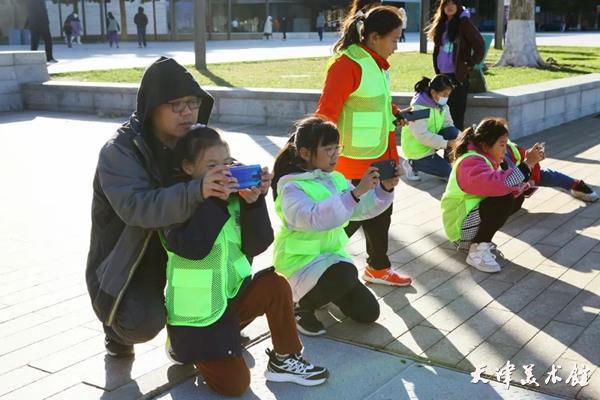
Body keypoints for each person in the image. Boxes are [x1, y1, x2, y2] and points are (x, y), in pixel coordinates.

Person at [86, 56, 237, 361]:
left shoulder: (193, 139)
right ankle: (115, 330)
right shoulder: (120, 151)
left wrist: (247, 183)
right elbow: (137, 208)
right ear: (152, 107)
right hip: (134, 255)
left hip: (183, 241)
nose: (187, 112)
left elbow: (221, 167)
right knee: (142, 322)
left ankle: (191, 334)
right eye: (176, 105)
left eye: (193, 103)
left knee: (233, 287)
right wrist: (199, 189)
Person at [161, 126, 329, 396]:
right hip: (198, 318)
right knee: (236, 385)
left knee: (276, 285)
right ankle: (185, 347)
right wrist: (216, 201)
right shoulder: (175, 200)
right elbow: (193, 249)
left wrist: (254, 203)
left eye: (227, 163)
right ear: (188, 167)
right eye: (212, 165)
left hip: (229, 303)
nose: (223, 171)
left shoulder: (232, 197)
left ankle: (285, 359)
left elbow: (259, 244)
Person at [272, 116, 401, 336]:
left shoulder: (335, 178)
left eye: (336, 148)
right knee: (346, 272)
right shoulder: (291, 187)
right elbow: (314, 219)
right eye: (328, 149)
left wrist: (384, 189)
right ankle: (299, 306)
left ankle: (322, 293)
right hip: (298, 263)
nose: (335, 154)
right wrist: (355, 193)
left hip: (329, 260)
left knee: (368, 312)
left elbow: (360, 209)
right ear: (305, 153)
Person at [317, 6, 412, 287]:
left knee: (381, 214)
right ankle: (313, 271)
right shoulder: (347, 64)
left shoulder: (377, 63)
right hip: (353, 162)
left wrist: (394, 112)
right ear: (374, 37)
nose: (396, 47)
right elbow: (326, 114)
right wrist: (320, 157)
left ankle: (378, 268)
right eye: (394, 39)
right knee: (349, 219)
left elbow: (375, 102)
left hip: (381, 154)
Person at [441, 118, 544, 273]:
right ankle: (477, 250)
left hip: (468, 221)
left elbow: (502, 185)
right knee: (504, 198)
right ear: (485, 146)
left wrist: (522, 184)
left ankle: (479, 242)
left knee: (515, 198)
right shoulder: (471, 161)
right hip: (459, 230)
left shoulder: (484, 158)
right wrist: (527, 163)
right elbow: (500, 184)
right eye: (501, 145)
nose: (505, 150)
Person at [427, 0, 484, 130]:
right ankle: (446, 141)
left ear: (458, 6)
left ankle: (457, 141)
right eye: (446, 4)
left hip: (457, 76)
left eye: (453, 3)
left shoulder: (464, 23)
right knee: (443, 114)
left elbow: (479, 44)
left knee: (456, 115)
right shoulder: (441, 24)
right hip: (442, 75)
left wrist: (469, 63)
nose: (450, 7)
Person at [400, 74, 460, 181]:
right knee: (447, 172)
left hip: (431, 142)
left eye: (448, 95)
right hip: (417, 149)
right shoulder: (418, 108)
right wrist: (447, 143)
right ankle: (412, 163)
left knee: (454, 133)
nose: (446, 98)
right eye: (444, 94)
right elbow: (422, 136)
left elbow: (449, 125)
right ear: (433, 92)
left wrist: (462, 137)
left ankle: (447, 163)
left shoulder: (442, 105)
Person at [504, 141, 599, 203]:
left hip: (521, 177)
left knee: (548, 175)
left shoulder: (511, 147)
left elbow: (530, 161)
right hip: (504, 190)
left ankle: (575, 185)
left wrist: (532, 176)